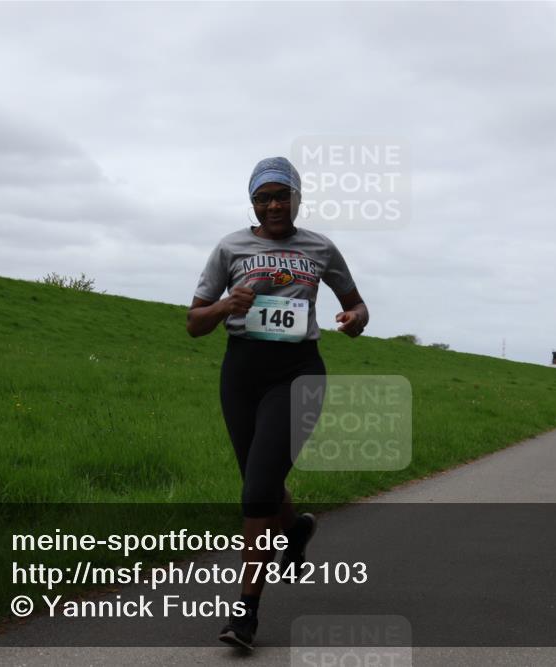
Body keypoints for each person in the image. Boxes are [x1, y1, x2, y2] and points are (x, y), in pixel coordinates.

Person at [187, 157, 369, 650]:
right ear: (252, 203)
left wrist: (353, 317)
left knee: (258, 489)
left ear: (296, 197)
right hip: (241, 373)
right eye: (262, 198)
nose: (272, 205)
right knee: (258, 482)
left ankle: (245, 612)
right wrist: (226, 305)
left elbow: (359, 305)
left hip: (298, 373)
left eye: (280, 195)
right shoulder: (230, 247)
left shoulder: (319, 247)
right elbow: (194, 321)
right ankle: (294, 529)